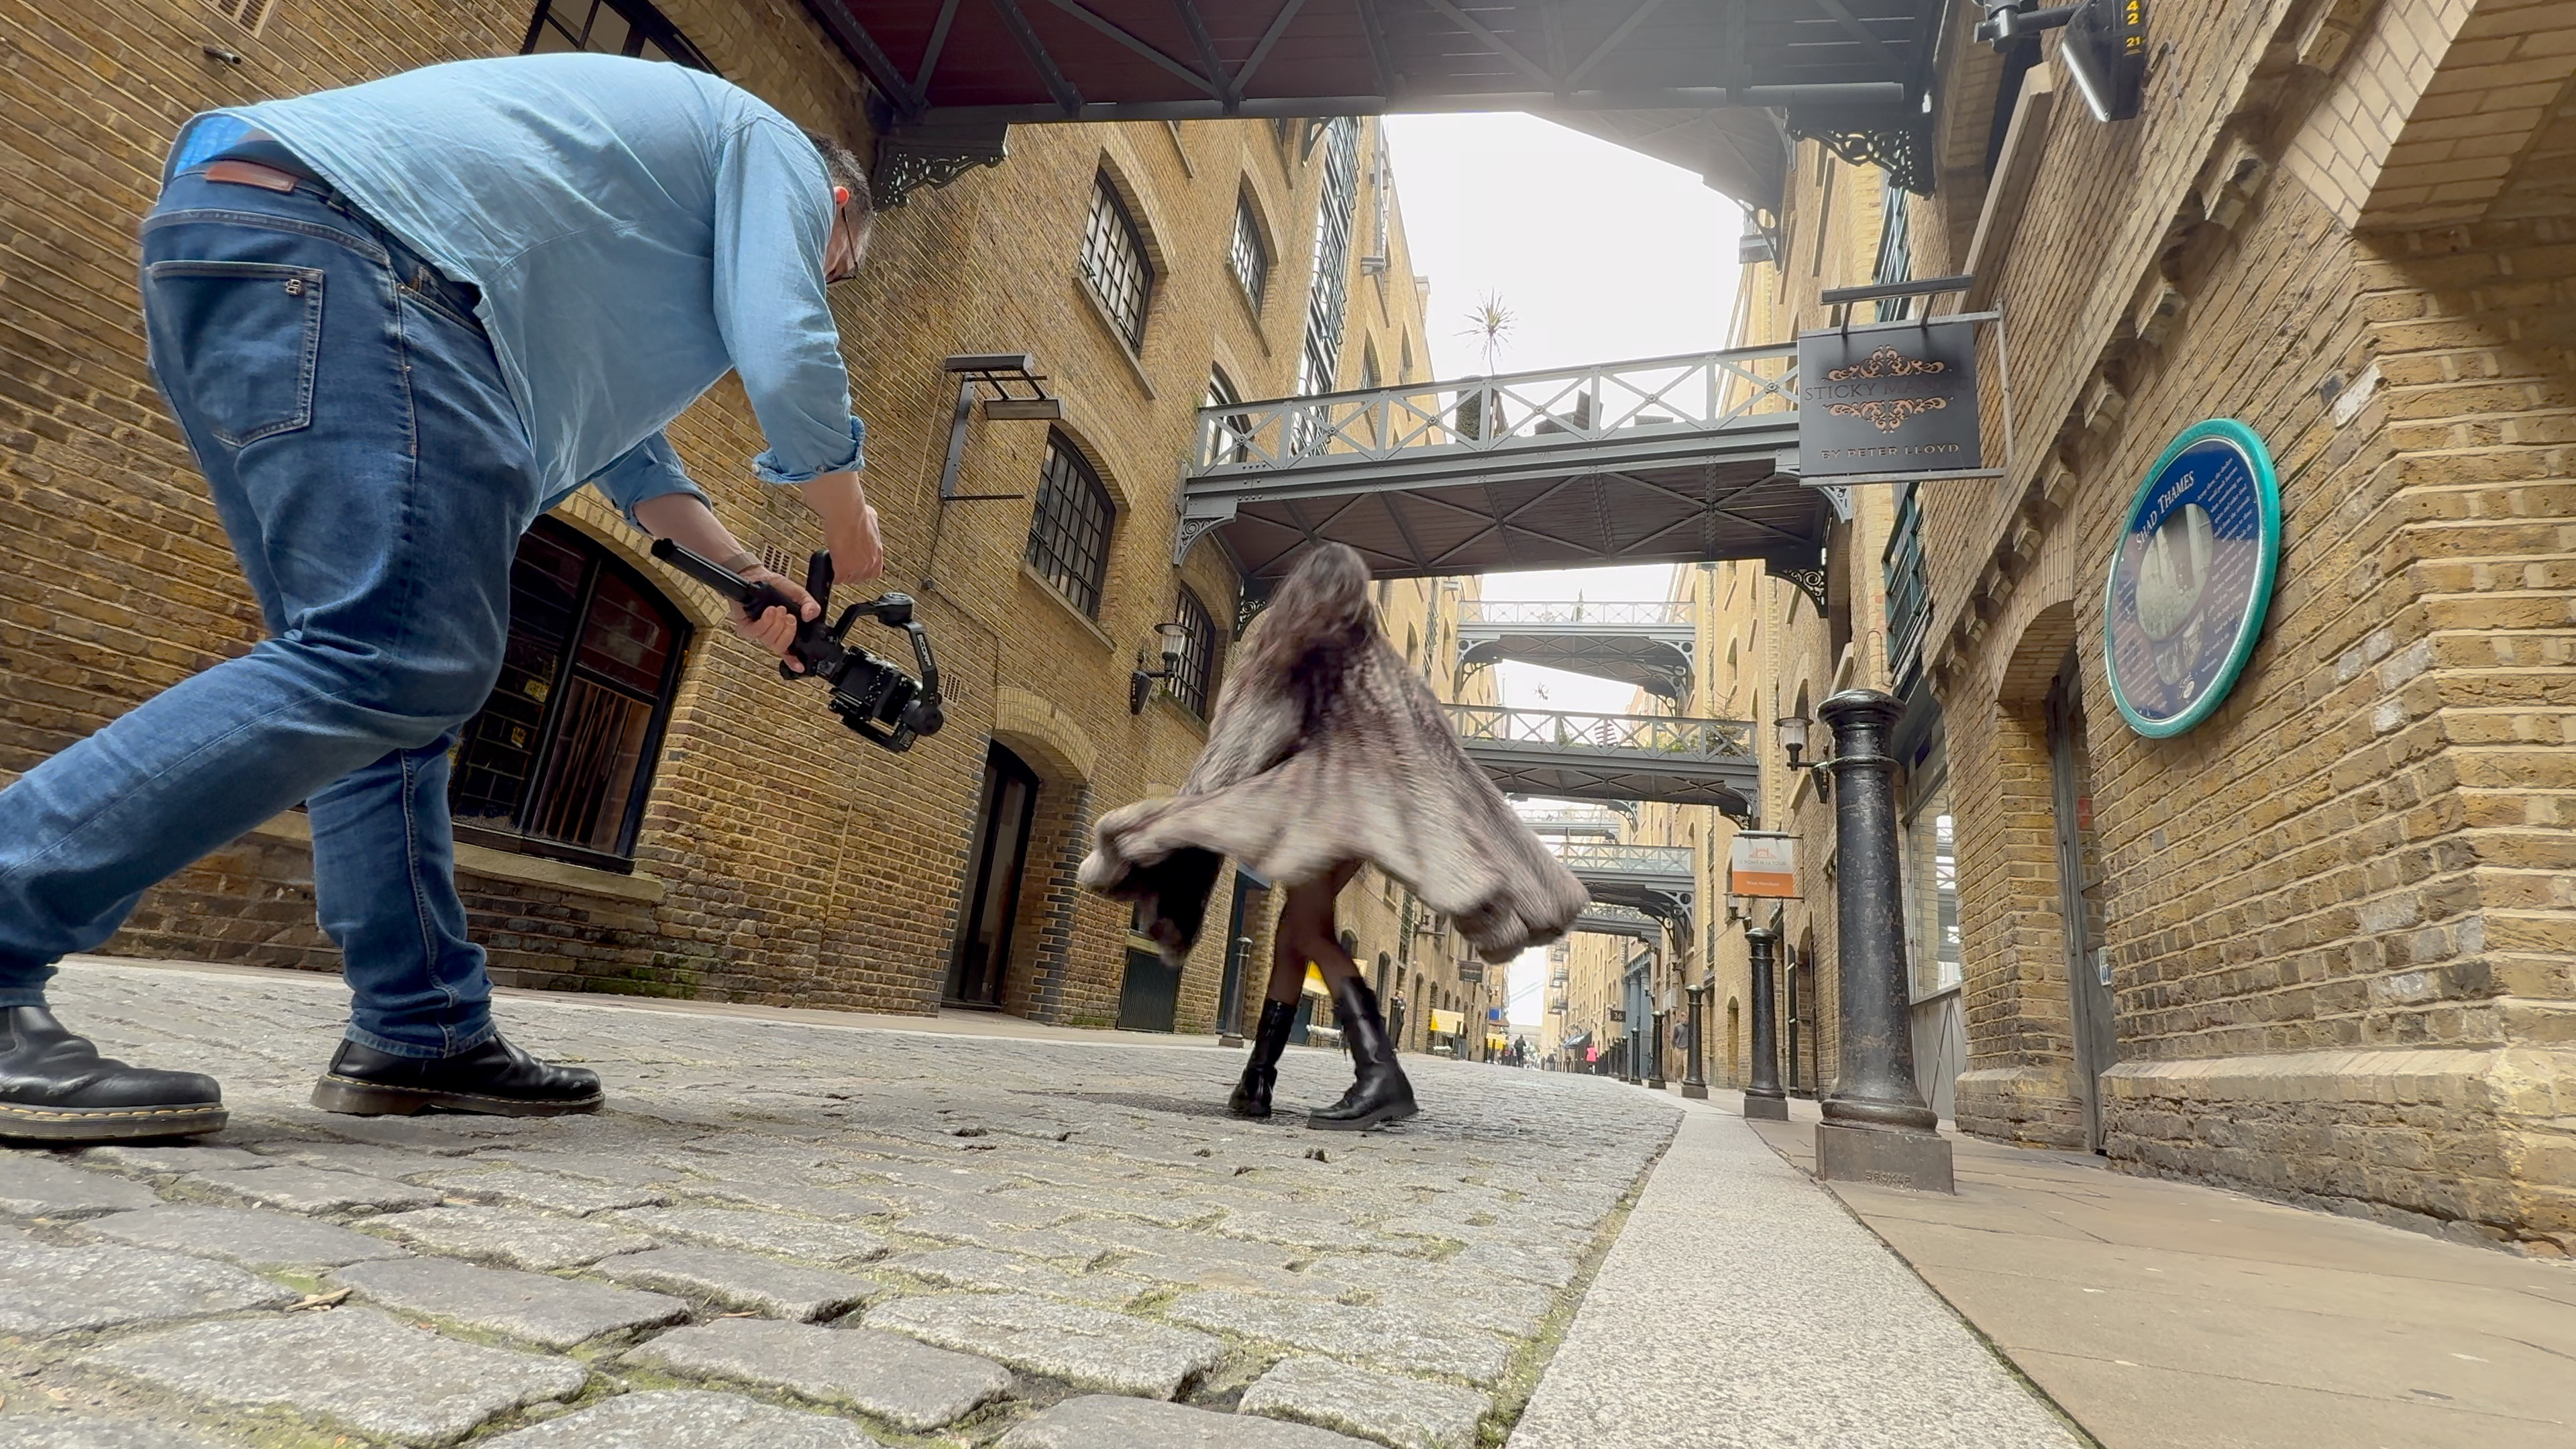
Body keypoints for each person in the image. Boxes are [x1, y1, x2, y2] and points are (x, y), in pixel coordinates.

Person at [0, 53, 882, 1141]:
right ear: (838, 208)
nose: (817, 270)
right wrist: (849, 521)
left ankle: (420, 1029)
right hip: (359, 261)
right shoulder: (778, 152)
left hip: (245, 247)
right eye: (836, 264)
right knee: (390, 657)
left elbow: (630, 449)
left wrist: (741, 569)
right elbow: (789, 343)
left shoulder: (637, 213)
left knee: (381, 679)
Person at [1079, 544, 1587, 1130]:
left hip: (1320, 805)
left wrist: (1198, 809)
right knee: (1297, 931)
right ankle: (1258, 1082)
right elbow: (1431, 749)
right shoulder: (1374, 656)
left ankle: (1379, 1073)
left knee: (1308, 931)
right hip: (1366, 818)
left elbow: (1242, 737)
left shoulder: (1285, 640)